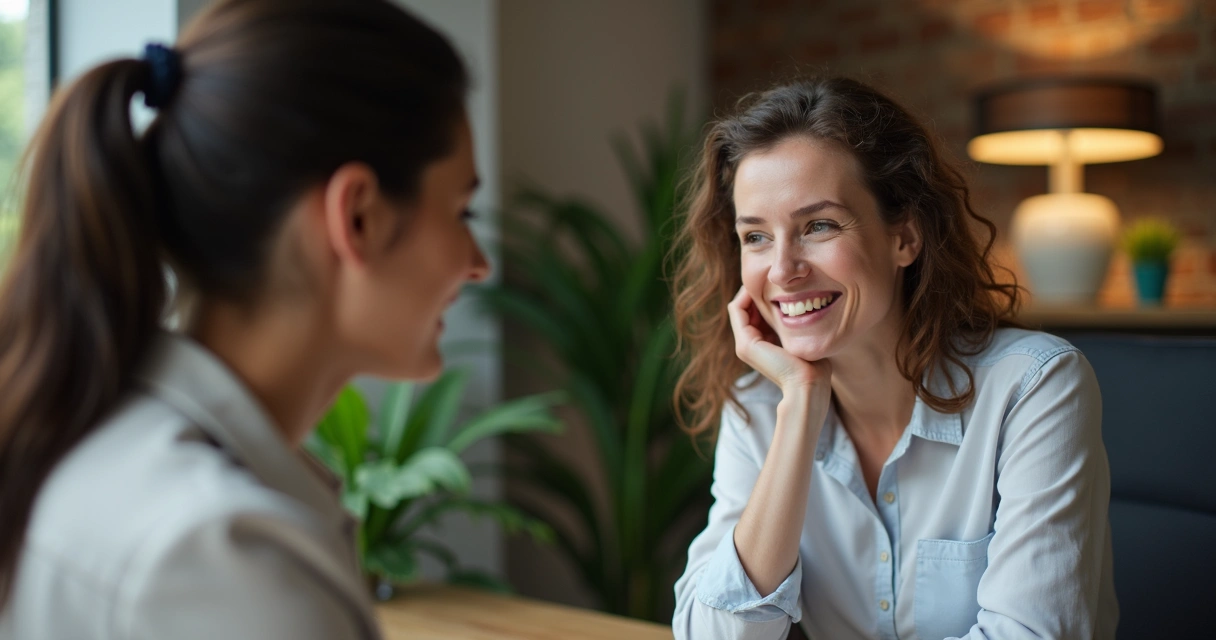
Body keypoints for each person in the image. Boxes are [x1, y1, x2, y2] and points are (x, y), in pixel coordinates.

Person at [0, 0, 488, 638]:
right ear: (358, 216)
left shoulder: (87, 445)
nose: (476, 264)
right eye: (461, 214)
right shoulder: (227, 564)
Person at [670, 77, 1117, 639]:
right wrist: (802, 407)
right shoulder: (761, 408)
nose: (782, 271)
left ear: (905, 236)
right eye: (755, 237)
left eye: (818, 226)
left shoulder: (1034, 387)